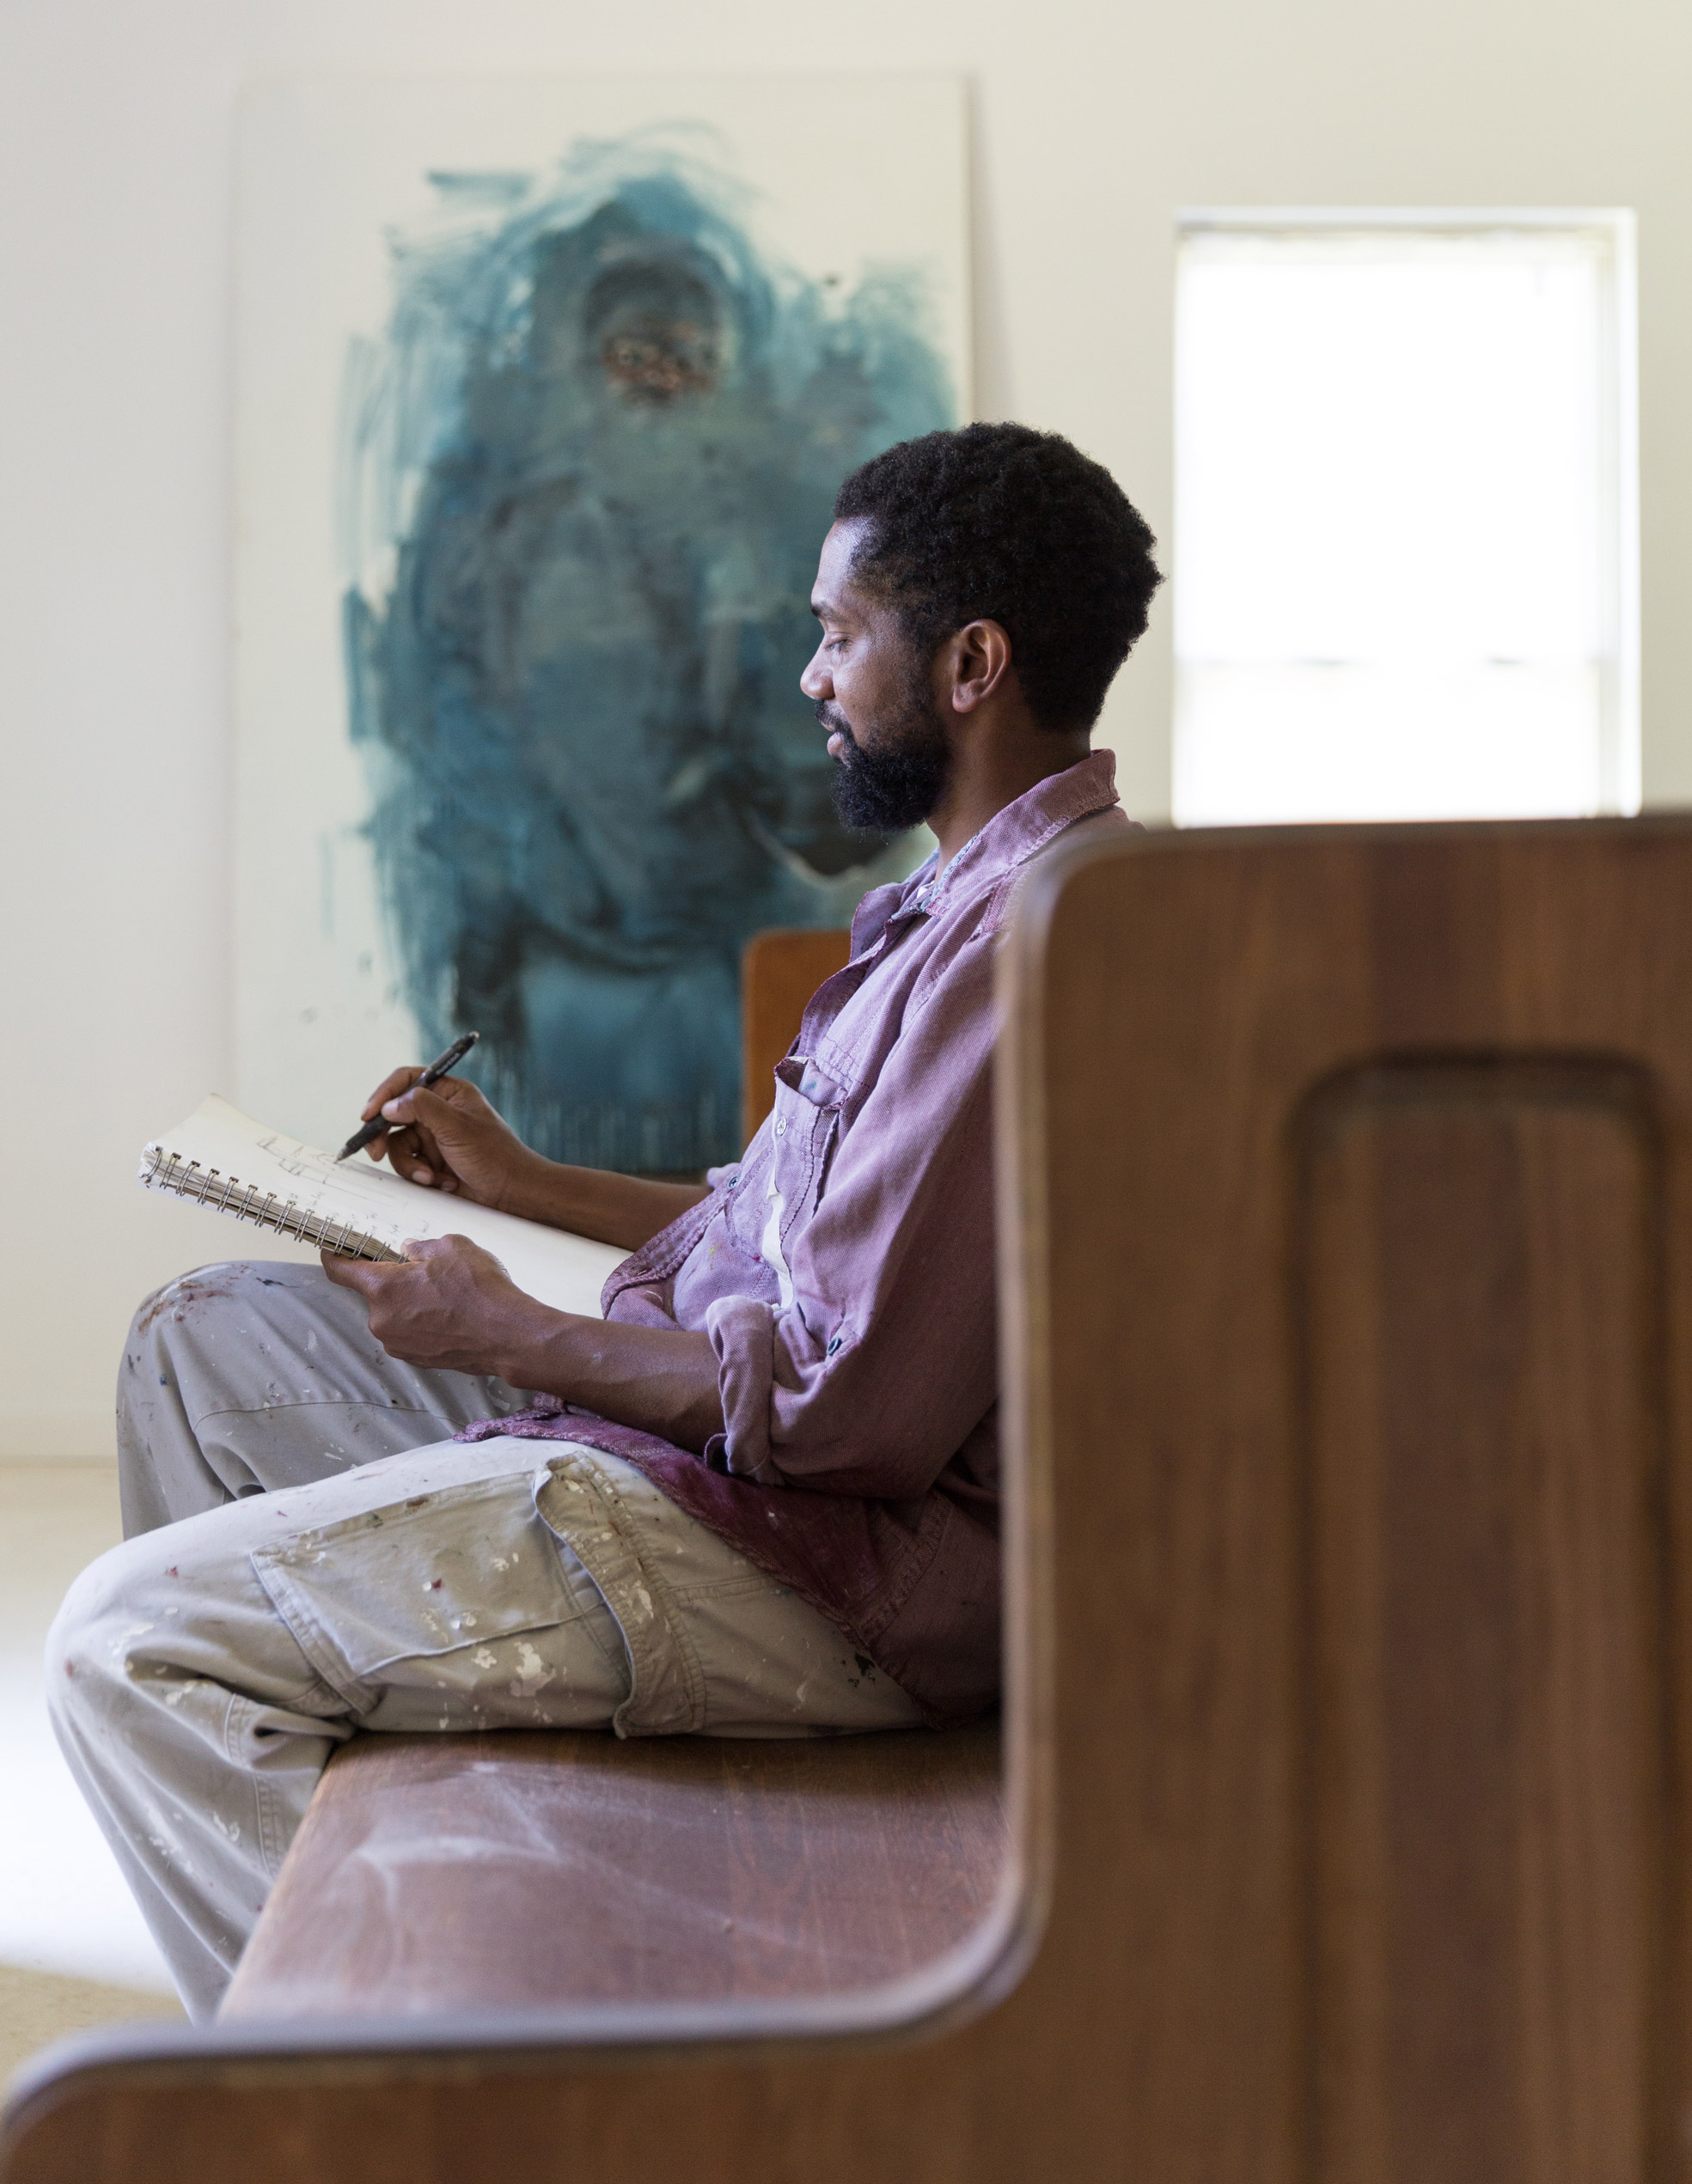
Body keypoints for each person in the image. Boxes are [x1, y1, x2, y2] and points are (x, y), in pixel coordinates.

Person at [48, 422, 1163, 2017]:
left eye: (838, 633)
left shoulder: (1022, 954)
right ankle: (366, 1929)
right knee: (197, 1344)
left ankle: (423, 2112)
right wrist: (520, 1181)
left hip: (816, 1565)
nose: (809, 675)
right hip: (703, 1452)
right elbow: (783, 1218)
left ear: (971, 662)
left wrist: (503, 1325)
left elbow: (844, 1419)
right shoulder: (952, 906)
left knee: (124, 1645)